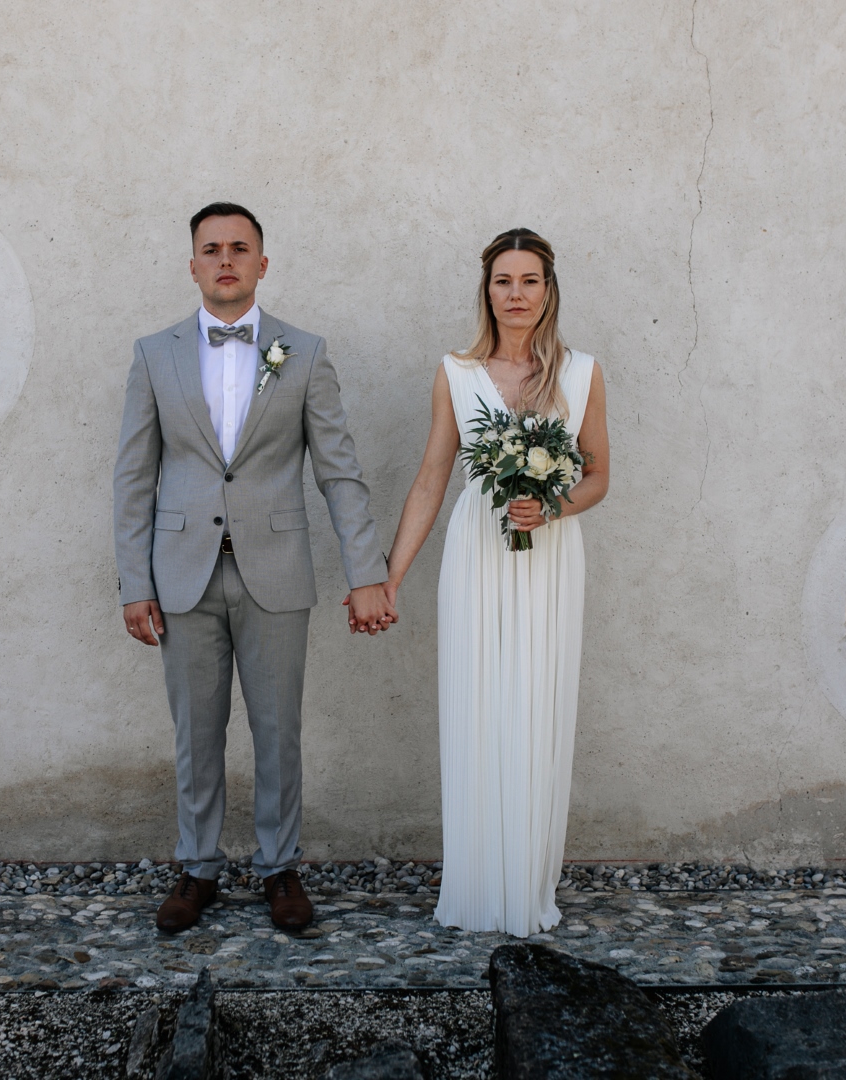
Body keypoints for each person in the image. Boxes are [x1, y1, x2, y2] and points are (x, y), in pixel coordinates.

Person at [113, 202, 397, 935]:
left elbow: (339, 472)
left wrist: (367, 571)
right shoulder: (154, 354)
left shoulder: (304, 352)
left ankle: (279, 868)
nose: (226, 259)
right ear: (193, 265)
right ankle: (197, 867)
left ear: (262, 264)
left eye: (239, 248)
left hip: (276, 570)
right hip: (182, 574)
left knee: (278, 731)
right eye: (212, 249)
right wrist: (134, 582)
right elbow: (134, 477)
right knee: (195, 733)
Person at [376, 228, 610, 936]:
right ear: (487, 290)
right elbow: (431, 478)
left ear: (549, 289)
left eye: (529, 280)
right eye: (503, 281)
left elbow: (599, 474)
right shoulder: (457, 372)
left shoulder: (583, 373)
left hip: (550, 557)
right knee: (478, 705)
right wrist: (391, 579)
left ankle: (527, 884)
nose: (516, 294)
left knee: (537, 705)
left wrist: (554, 506)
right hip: (477, 552)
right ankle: (478, 886)